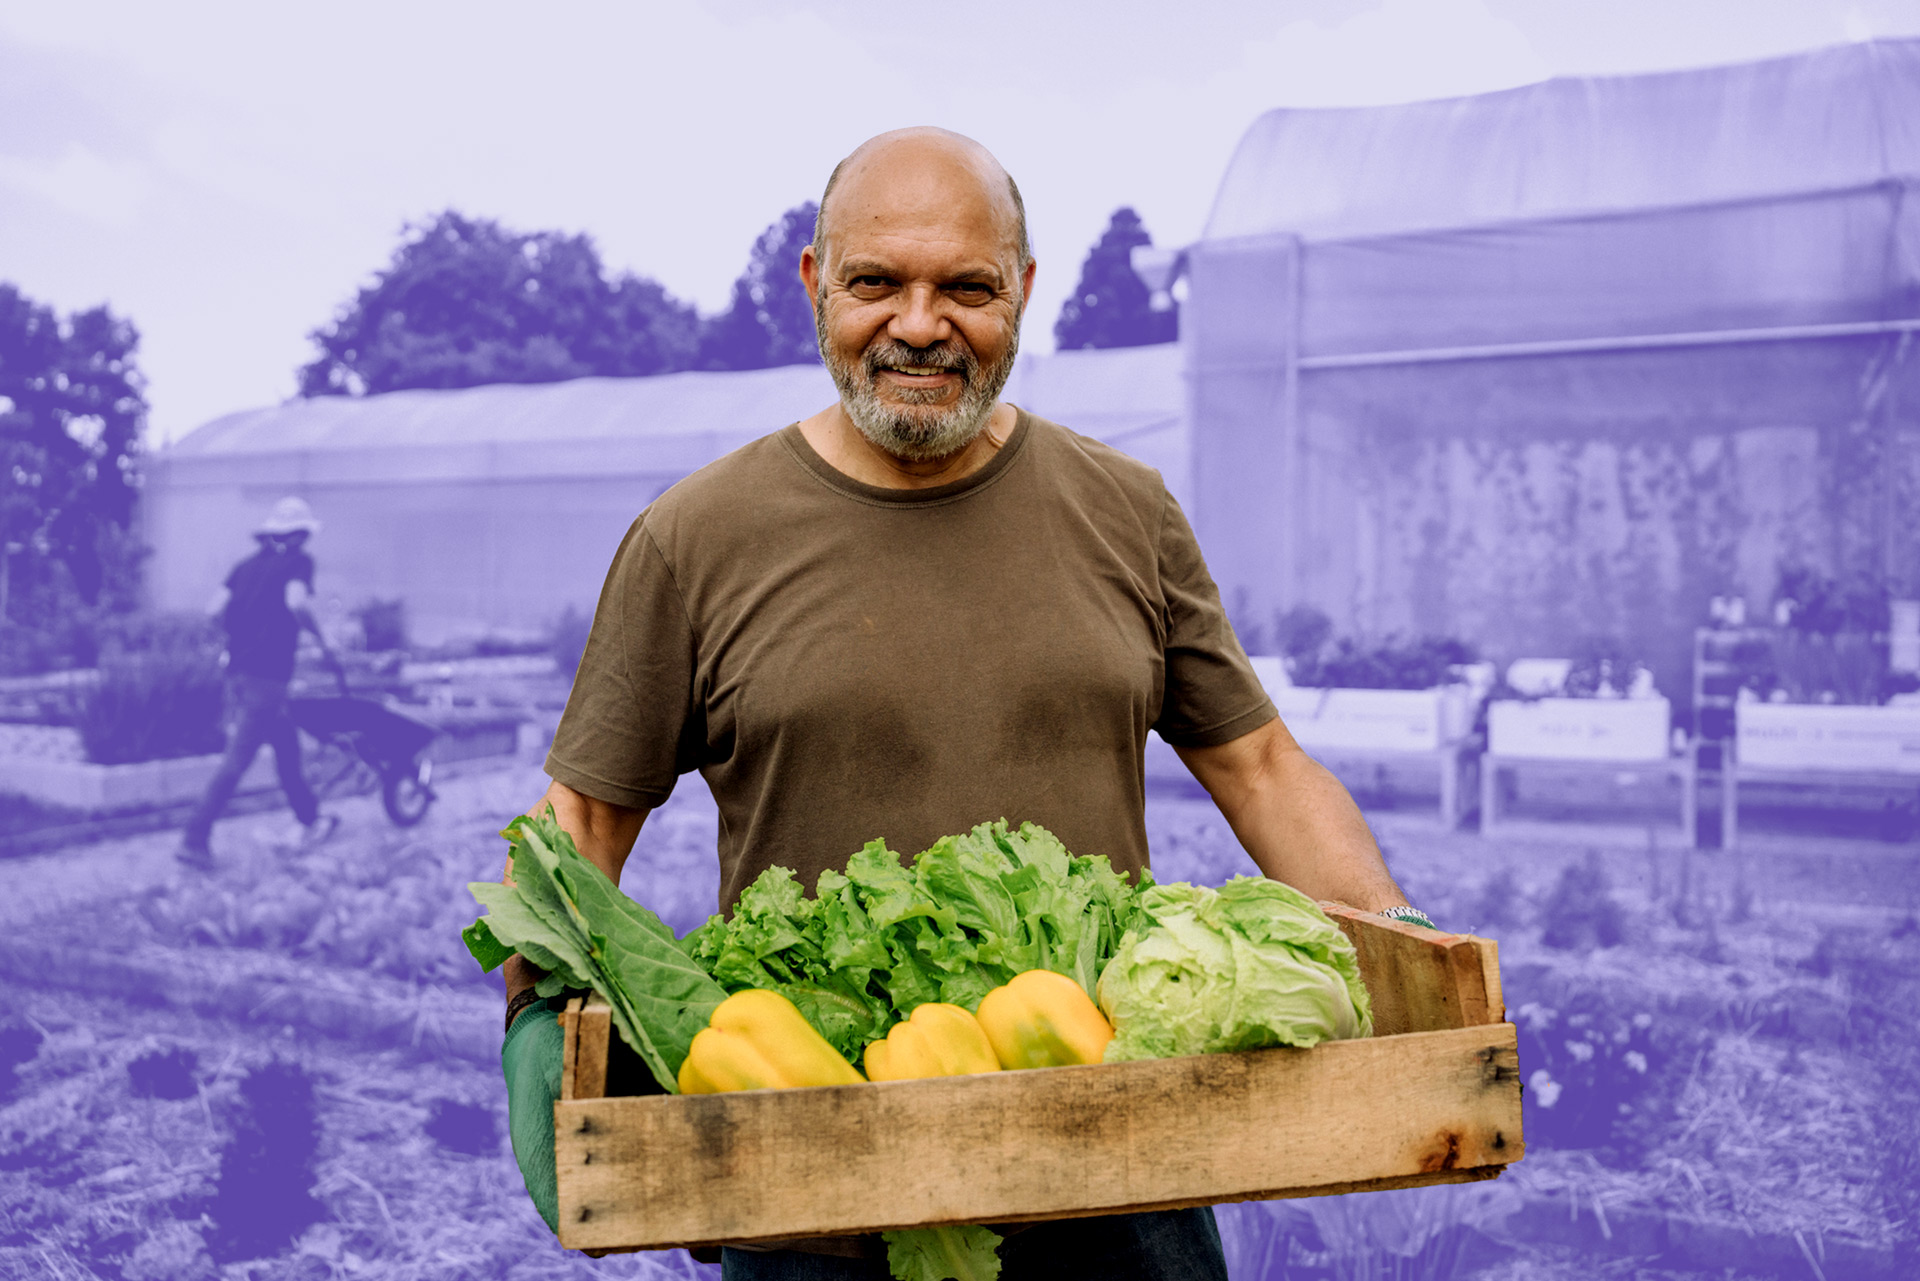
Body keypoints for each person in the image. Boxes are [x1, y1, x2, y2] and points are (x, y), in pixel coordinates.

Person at [499, 127, 1434, 1279]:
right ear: (814, 285)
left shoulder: (1126, 511)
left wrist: (1406, 959)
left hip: (1120, 1165)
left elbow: (1262, 770)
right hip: (818, 1187)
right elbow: (582, 828)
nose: (920, 324)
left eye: (969, 287)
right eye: (876, 282)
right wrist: (549, 1042)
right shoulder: (695, 539)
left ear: (1024, 290)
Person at [177, 496, 340, 870]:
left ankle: (310, 819)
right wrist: (323, 640)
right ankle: (194, 838)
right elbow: (297, 603)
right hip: (269, 679)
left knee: (286, 749)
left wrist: (239, 638)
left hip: (238, 673)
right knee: (237, 760)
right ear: (298, 535)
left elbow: (214, 610)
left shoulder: (244, 566)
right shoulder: (299, 562)